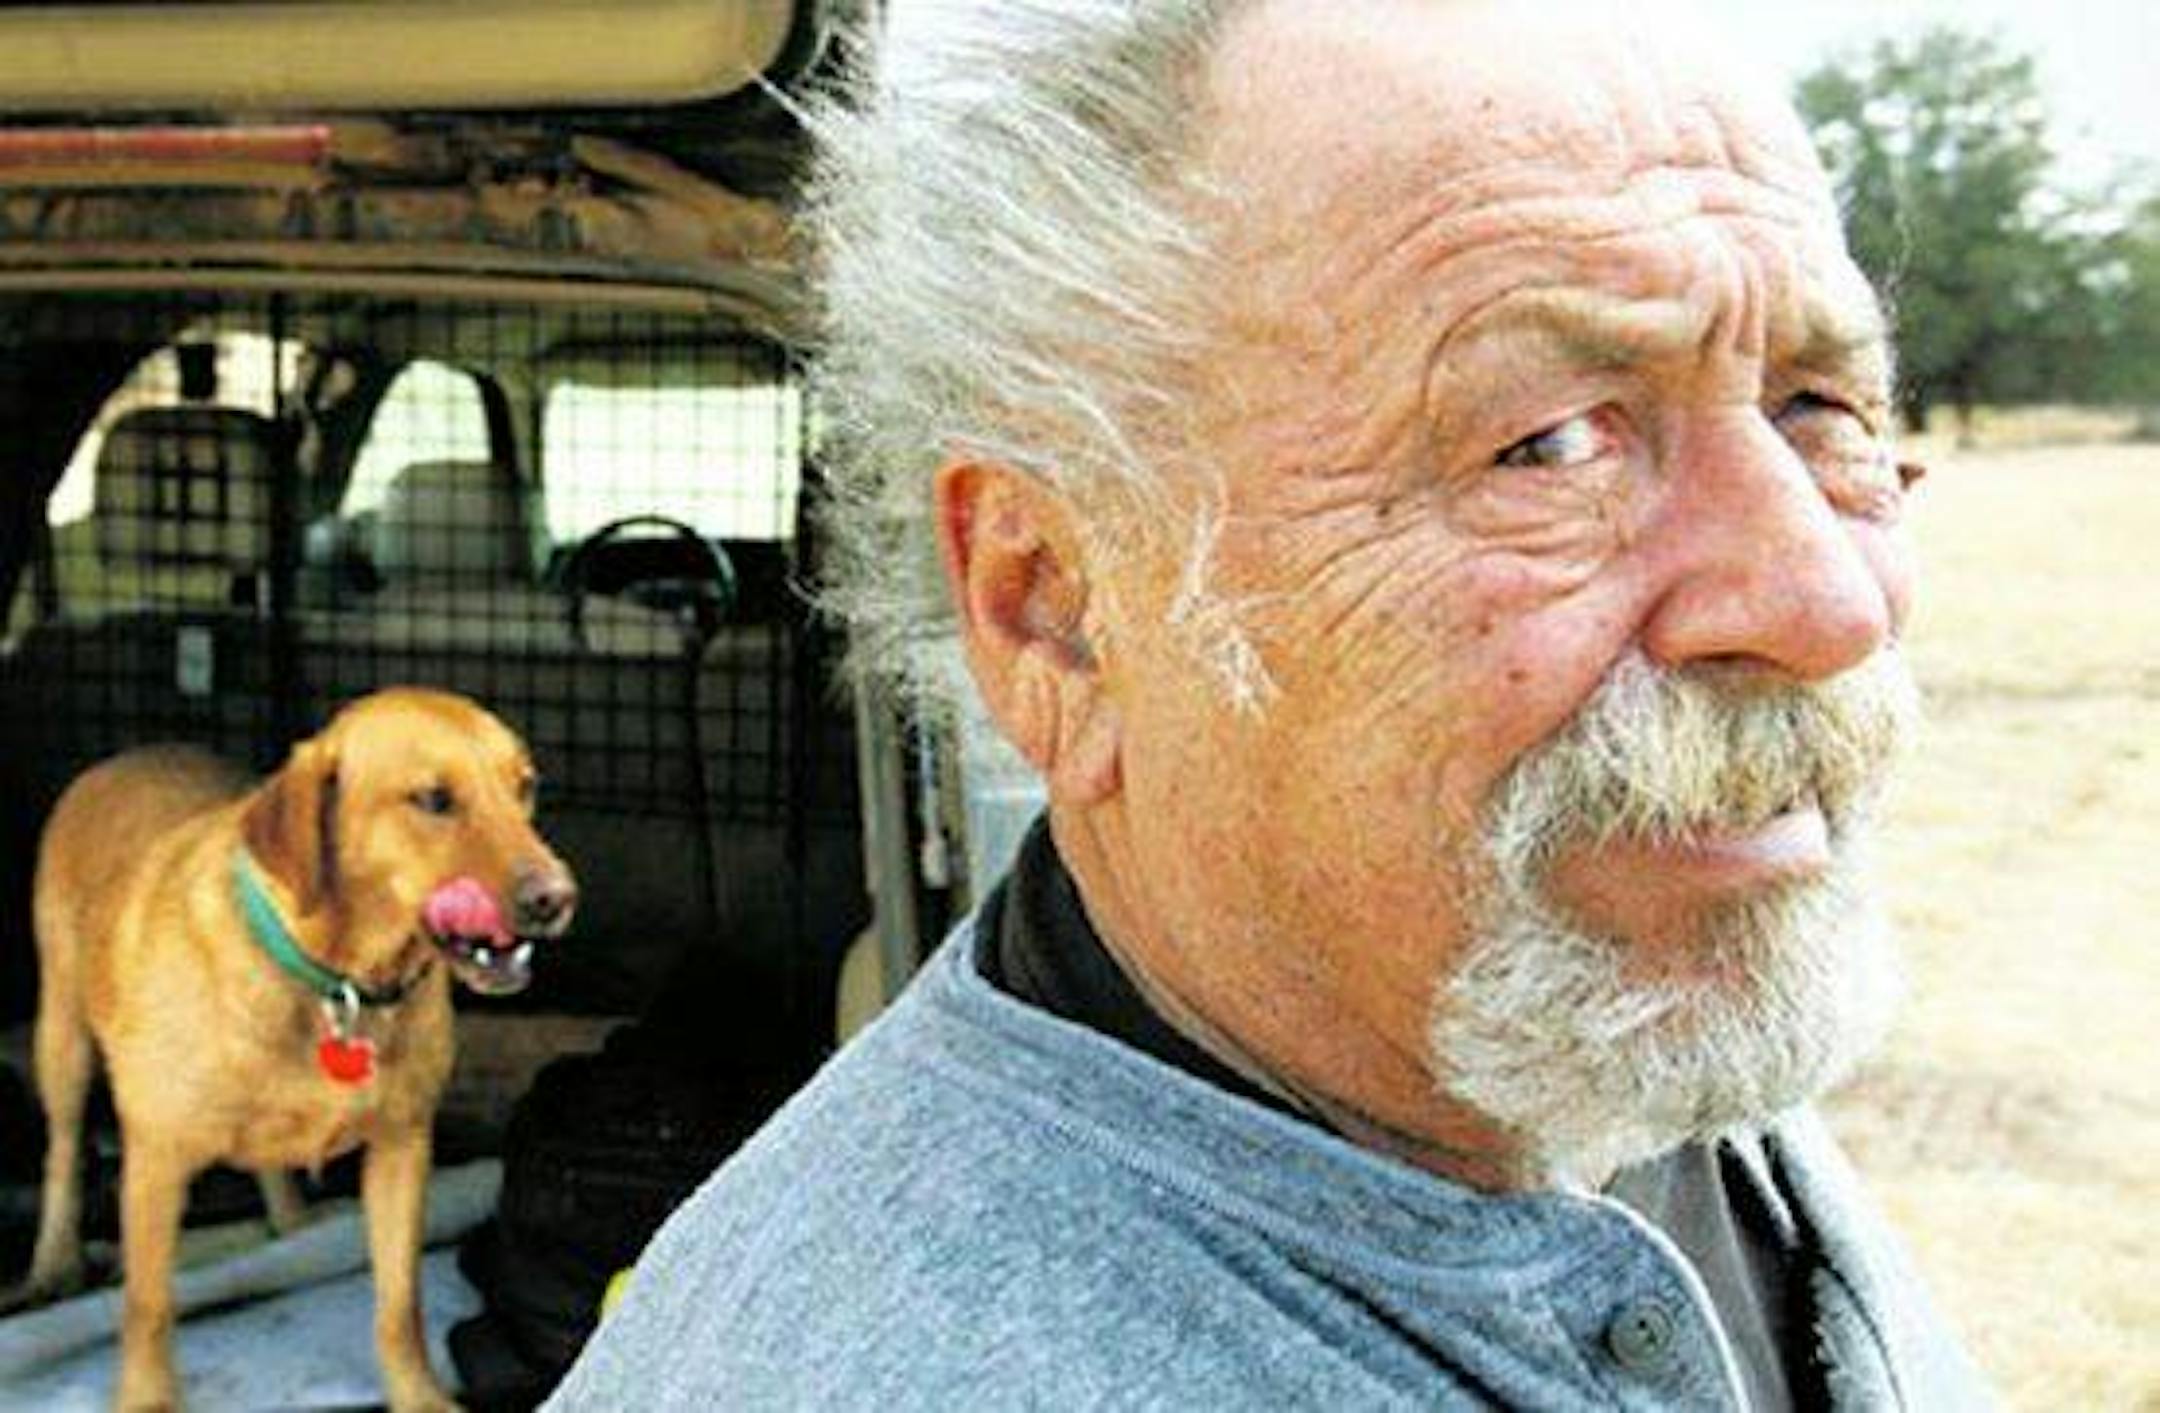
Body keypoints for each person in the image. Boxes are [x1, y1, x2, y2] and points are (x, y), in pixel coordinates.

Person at [548, 0, 1991, 1406]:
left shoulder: (1551, 1003)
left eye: (1822, 409)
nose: (1827, 606)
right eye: (1546, 445)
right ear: (1054, 606)